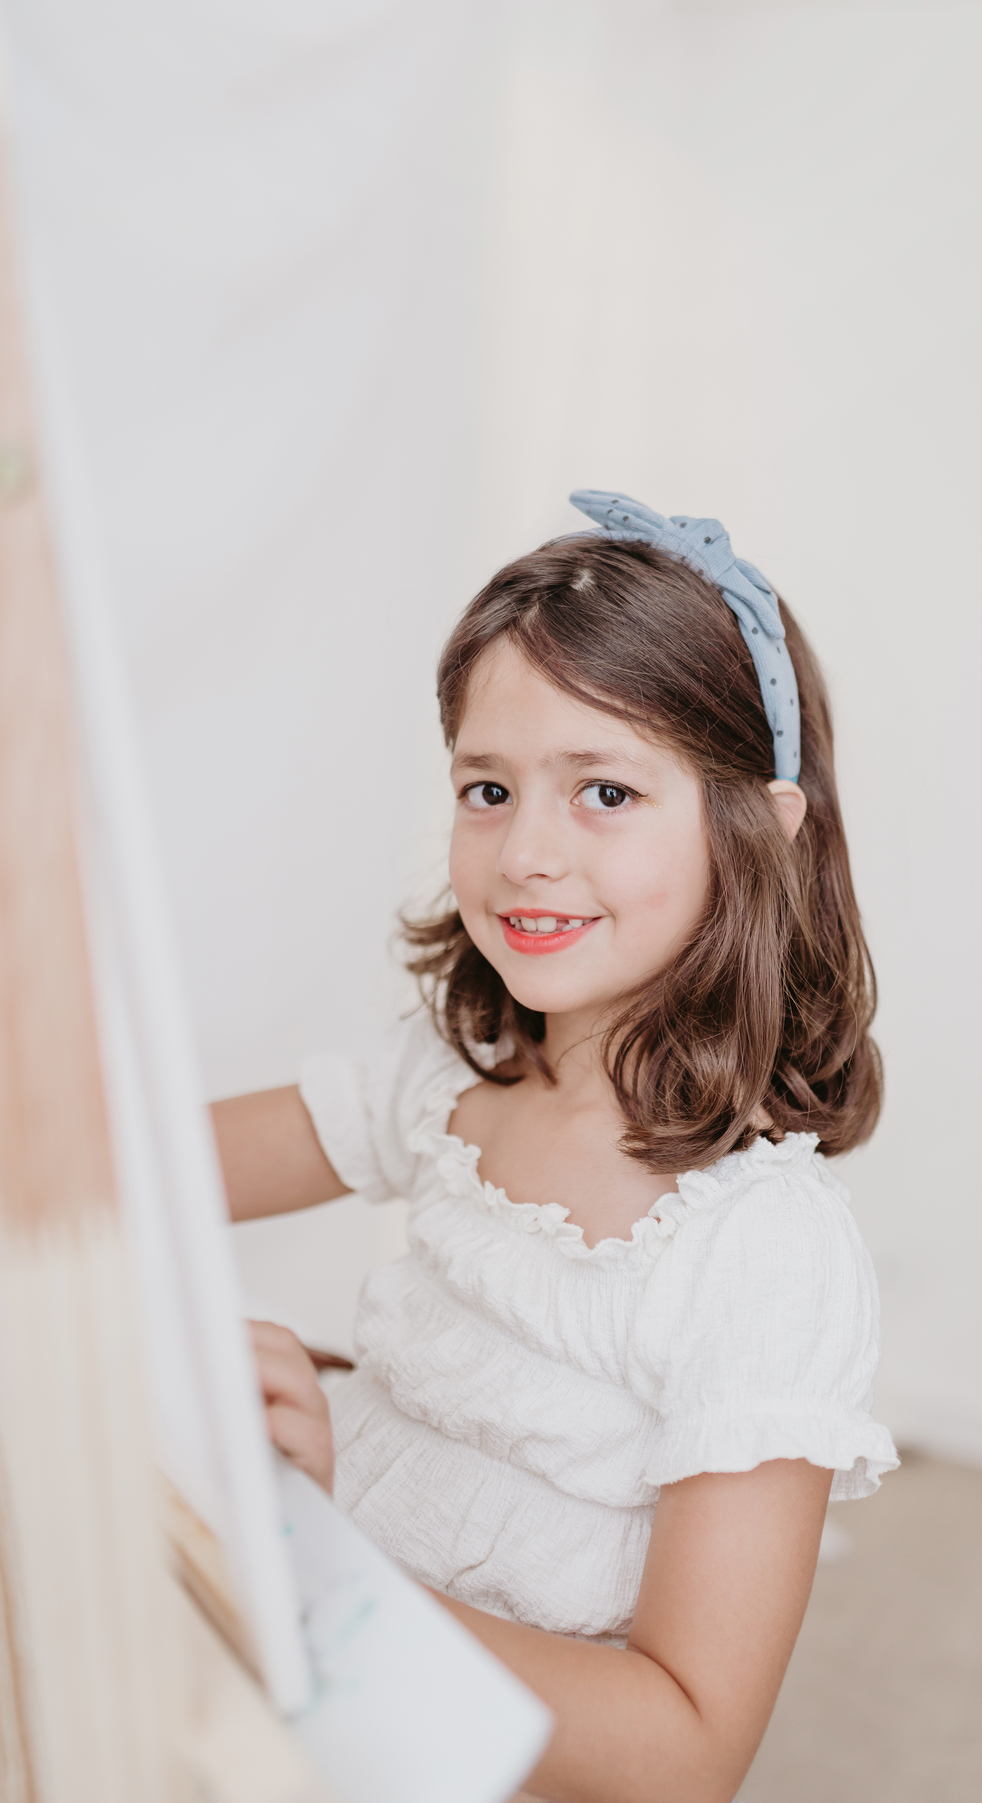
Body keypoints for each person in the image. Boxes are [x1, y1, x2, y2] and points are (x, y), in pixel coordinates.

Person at [213, 490, 898, 1803]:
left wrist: (319, 1574)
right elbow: (134, 1173)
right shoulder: (453, 1075)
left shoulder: (759, 1247)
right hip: (311, 1673)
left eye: (605, 791)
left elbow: (686, 1752)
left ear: (761, 829)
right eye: (488, 789)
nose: (526, 852)